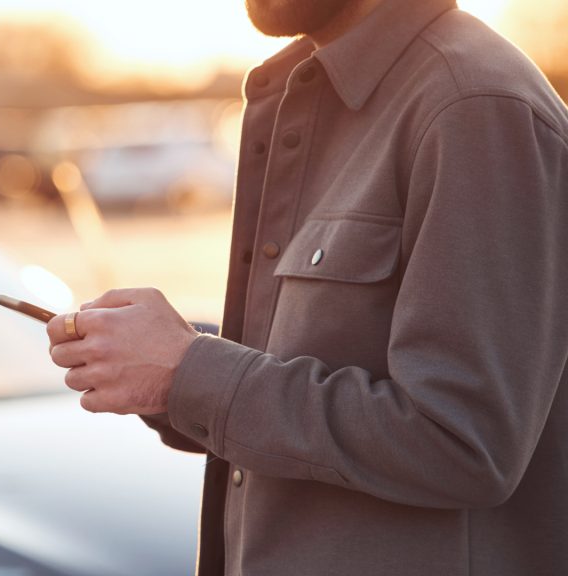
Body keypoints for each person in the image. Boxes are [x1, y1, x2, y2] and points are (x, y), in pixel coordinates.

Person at [45, 0, 568, 575]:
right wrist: (165, 369)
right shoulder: (315, 96)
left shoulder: (473, 106)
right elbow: (313, 368)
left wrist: (189, 371)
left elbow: (462, 441)